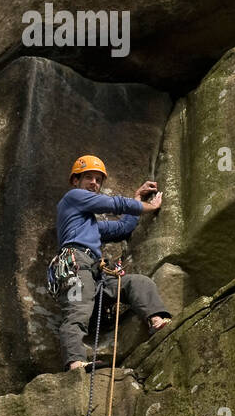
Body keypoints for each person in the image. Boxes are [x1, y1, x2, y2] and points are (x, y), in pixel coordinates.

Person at [50, 153, 173, 371]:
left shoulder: (89, 226)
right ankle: (76, 363)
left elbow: (122, 228)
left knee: (138, 282)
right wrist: (148, 207)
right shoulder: (73, 198)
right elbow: (112, 203)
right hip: (75, 266)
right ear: (75, 181)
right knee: (77, 311)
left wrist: (136, 199)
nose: (94, 183)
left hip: (96, 275)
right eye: (88, 177)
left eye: (98, 179)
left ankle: (157, 321)